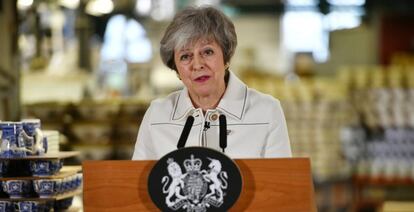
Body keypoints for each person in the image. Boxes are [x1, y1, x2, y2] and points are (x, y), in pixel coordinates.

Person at [132, 6, 291, 160]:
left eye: (207, 52)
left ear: (226, 57)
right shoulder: (156, 114)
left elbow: (281, 183)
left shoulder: (267, 111)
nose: (197, 64)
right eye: (185, 56)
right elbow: (136, 182)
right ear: (176, 68)